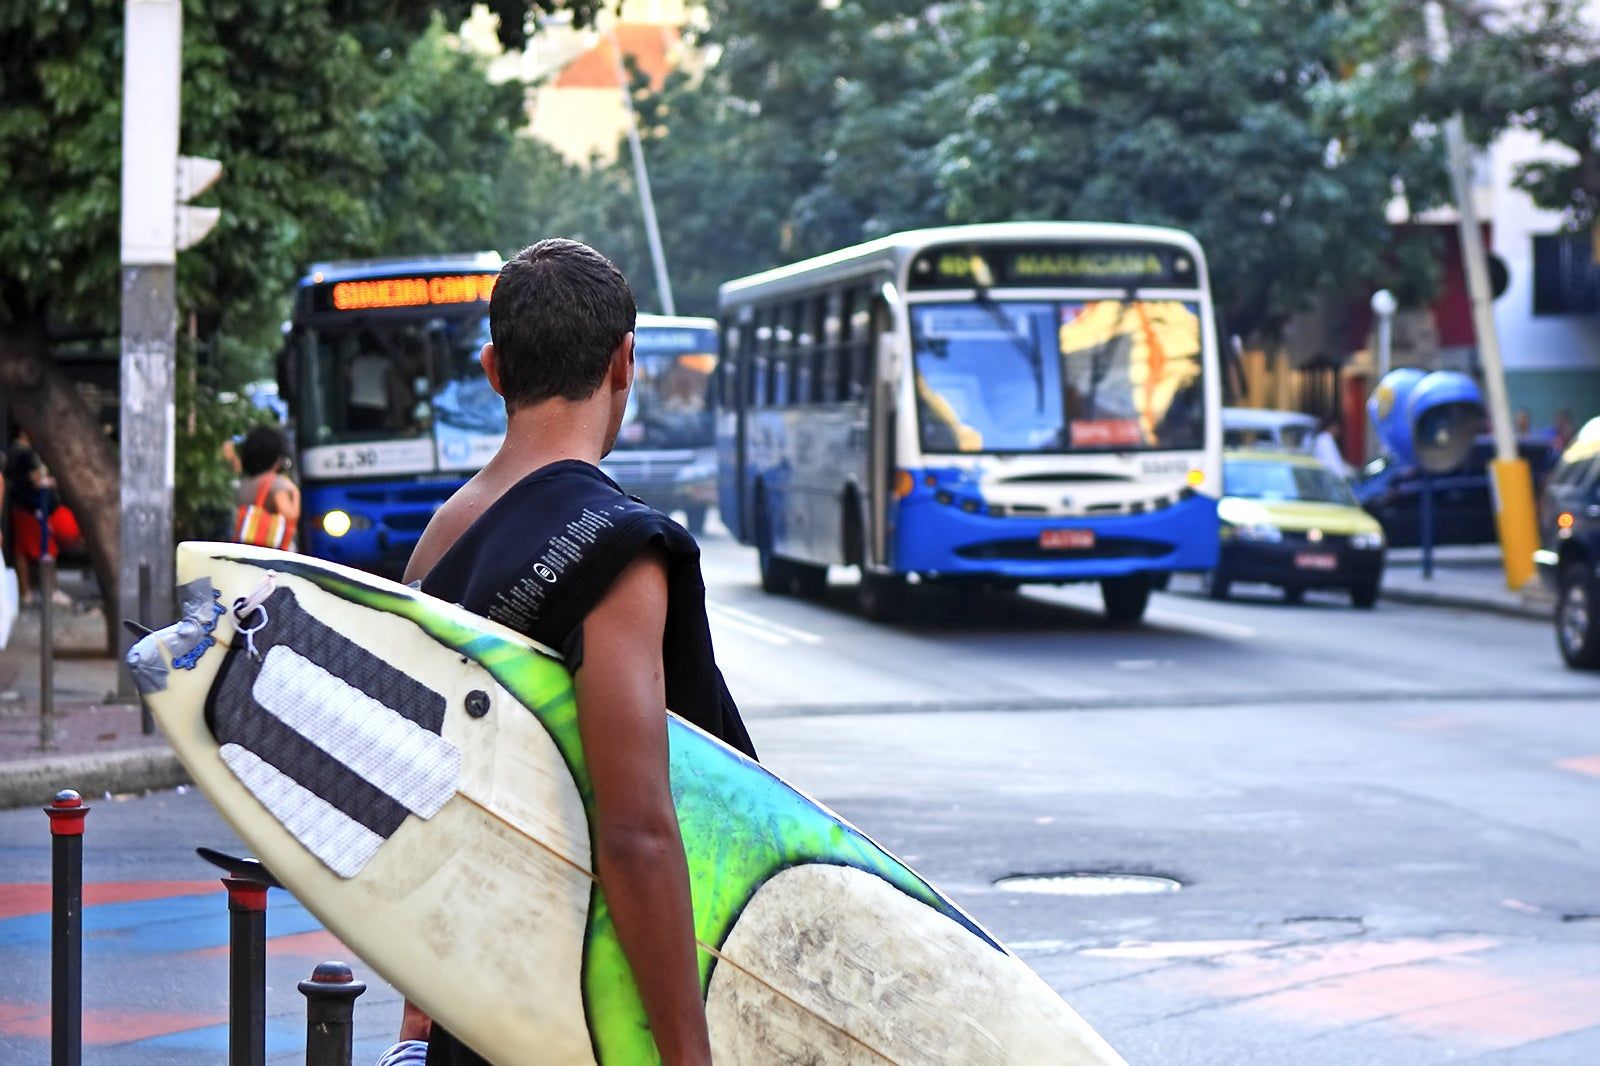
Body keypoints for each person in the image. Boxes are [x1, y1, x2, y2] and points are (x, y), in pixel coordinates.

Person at [384, 239, 753, 1066]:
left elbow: (427, 796)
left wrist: (419, 1013)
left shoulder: (438, 545)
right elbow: (637, 833)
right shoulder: (620, 552)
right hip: (593, 1011)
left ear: (492, 369)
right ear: (626, 363)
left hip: (473, 996)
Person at [4, 429, 71, 607]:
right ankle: (47, 591)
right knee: (46, 549)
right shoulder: (22, 453)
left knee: (24, 551)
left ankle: (28, 592)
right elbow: (28, 479)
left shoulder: (17, 452)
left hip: (26, 508)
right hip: (31, 508)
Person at [233, 425, 300, 546]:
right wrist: (295, 492)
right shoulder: (277, 483)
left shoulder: (245, 484)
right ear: (276, 457)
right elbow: (290, 516)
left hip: (247, 547)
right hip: (271, 550)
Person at [1312, 415, 1352, 479]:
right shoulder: (1325, 440)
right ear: (1332, 427)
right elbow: (1333, 465)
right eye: (1337, 427)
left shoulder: (1325, 439)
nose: (1339, 431)